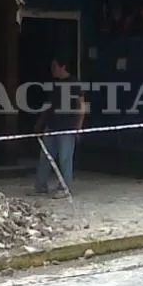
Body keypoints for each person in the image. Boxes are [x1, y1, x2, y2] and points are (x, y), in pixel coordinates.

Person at [32, 55, 86, 198]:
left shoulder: (75, 84)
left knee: (65, 159)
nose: (52, 69)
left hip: (67, 127)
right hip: (51, 126)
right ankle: (40, 186)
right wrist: (41, 122)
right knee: (45, 157)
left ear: (63, 67)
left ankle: (65, 188)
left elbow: (82, 106)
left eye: (55, 66)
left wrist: (79, 127)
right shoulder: (54, 84)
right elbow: (50, 105)